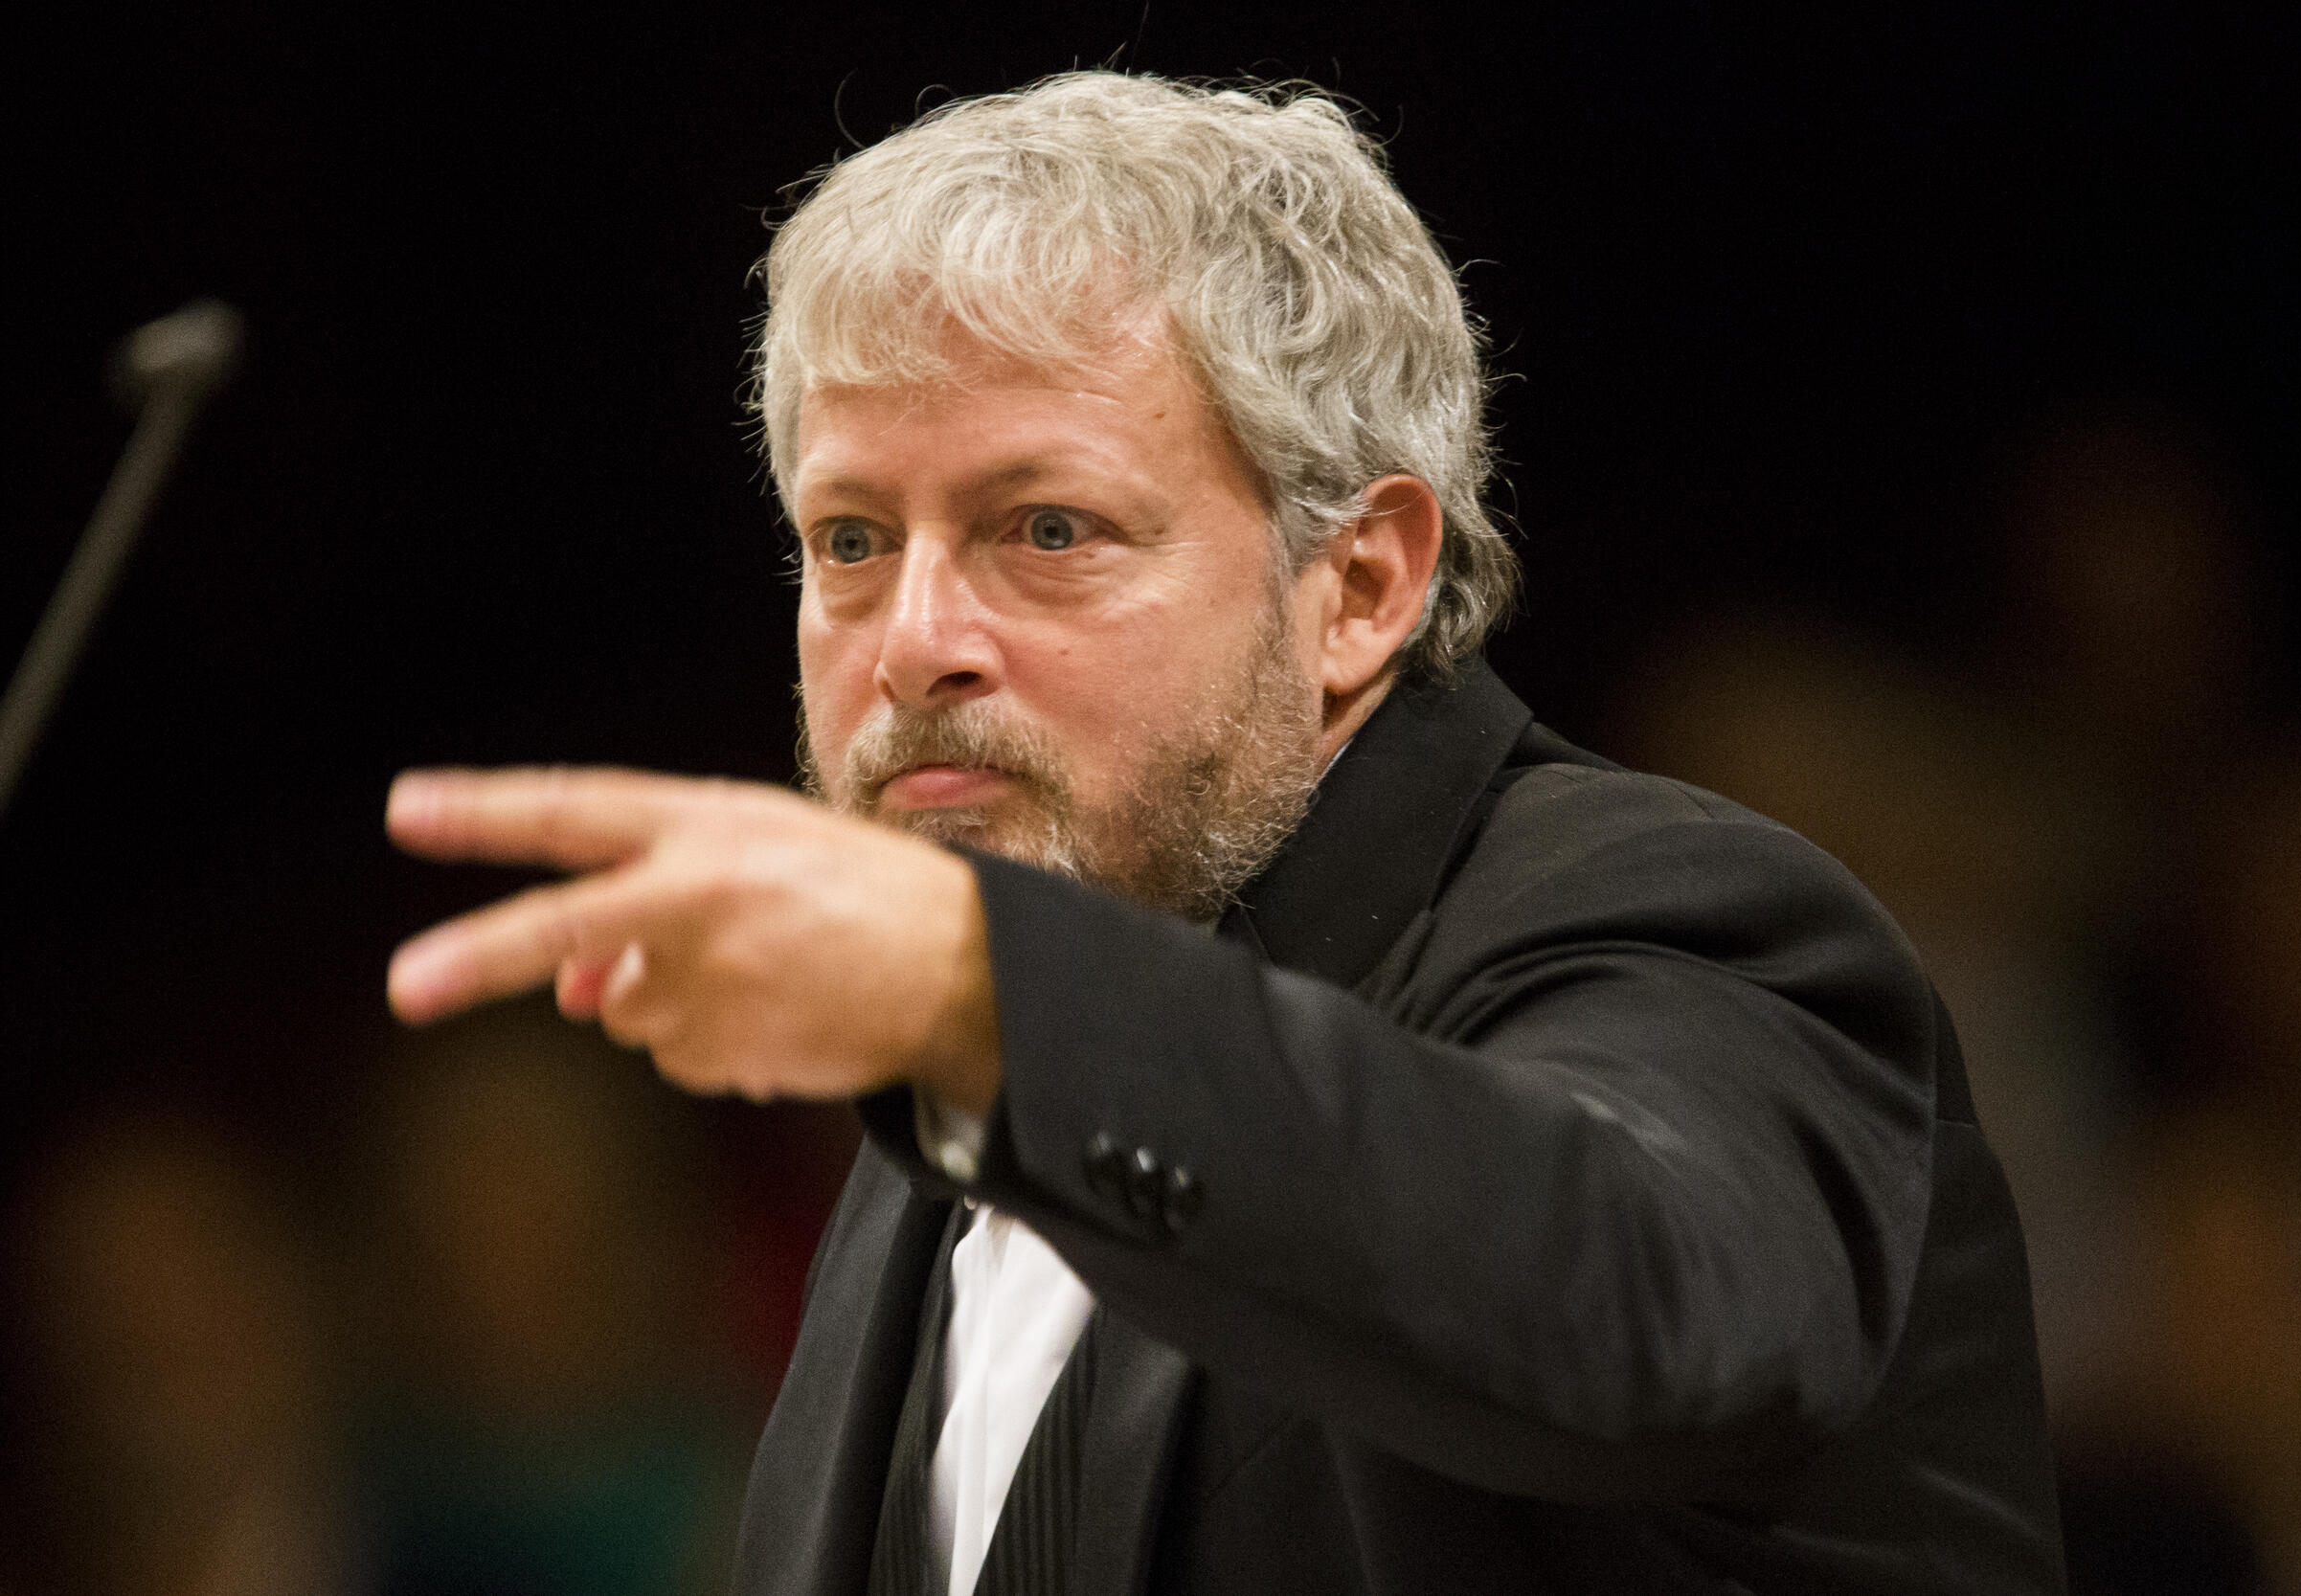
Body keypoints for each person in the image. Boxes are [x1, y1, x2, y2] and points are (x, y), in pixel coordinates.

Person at [384, 72, 2064, 1595]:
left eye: (1047, 528)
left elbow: (1631, 1291)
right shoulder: (926, 1150)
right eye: (850, 541)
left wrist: (987, 995)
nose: (912, 642)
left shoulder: (1683, 931)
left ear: (1361, 585)